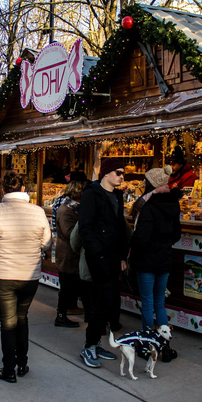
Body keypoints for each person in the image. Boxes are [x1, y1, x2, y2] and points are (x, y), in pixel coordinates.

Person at [0, 171, 52, 383]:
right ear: (23, 189)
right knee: (22, 318)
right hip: (29, 274)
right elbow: (47, 243)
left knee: (7, 322)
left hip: (1, 274)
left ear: (3, 190)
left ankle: (8, 367)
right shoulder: (38, 213)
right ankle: (22, 363)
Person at [78, 157, 129, 369]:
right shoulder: (91, 194)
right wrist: (98, 253)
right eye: (118, 172)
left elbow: (120, 228)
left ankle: (96, 342)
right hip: (99, 257)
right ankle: (89, 346)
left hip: (113, 257)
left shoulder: (117, 196)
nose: (122, 176)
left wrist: (122, 256)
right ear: (106, 173)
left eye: (122, 173)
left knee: (108, 301)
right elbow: (85, 228)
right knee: (100, 300)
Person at [129, 166, 182, 361]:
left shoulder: (149, 207)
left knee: (147, 302)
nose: (143, 183)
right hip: (164, 259)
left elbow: (141, 237)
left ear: (151, 184)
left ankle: (148, 343)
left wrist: (133, 247)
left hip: (146, 261)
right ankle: (163, 343)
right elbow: (176, 234)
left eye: (146, 181)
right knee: (159, 302)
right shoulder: (174, 205)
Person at [53, 179, 88, 328]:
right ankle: (61, 316)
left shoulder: (73, 207)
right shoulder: (67, 210)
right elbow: (69, 233)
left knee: (74, 287)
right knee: (67, 288)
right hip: (68, 255)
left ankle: (71, 311)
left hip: (71, 254)